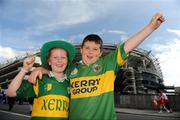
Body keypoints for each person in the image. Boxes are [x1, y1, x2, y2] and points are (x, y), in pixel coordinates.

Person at [28, 13, 165, 120]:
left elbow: (128, 45)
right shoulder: (71, 69)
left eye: (95, 49)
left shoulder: (108, 64)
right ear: (81, 50)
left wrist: (151, 27)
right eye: (87, 48)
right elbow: (56, 70)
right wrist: (41, 69)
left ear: (100, 53)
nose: (90, 52)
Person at [6, 40, 76, 120]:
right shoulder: (40, 79)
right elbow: (10, 92)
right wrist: (24, 69)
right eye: (55, 57)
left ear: (67, 61)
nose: (59, 60)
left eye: (63, 57)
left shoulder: (71, 83)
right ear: (49, 62)